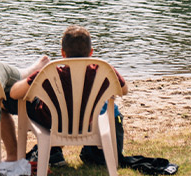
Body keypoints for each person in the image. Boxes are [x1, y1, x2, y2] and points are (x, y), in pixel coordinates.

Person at [9, 25, 128, 167]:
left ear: (62, 53)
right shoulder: (102, 69)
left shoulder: (50, 71)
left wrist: (34, 73)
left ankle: (16, 155)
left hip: (52, 121)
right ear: (91, 52)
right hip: (86, 121)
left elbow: (14, 93)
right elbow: (124, 90)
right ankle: (52, 152)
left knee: (9, 100)